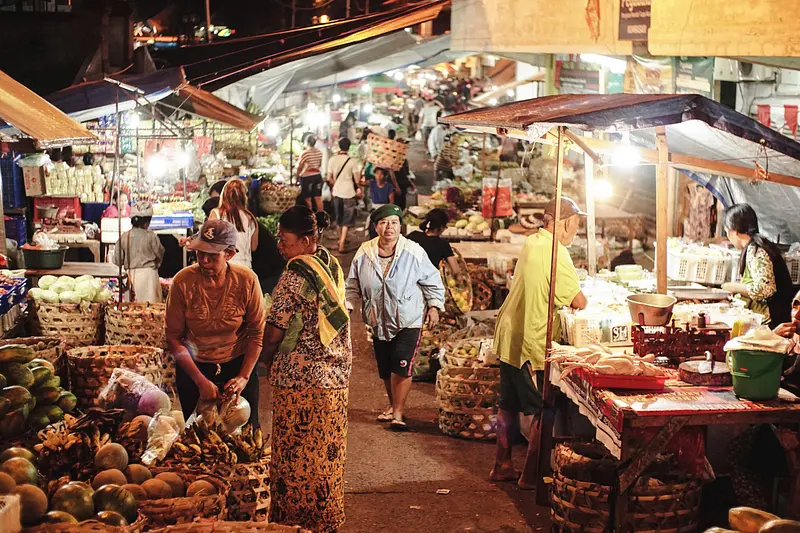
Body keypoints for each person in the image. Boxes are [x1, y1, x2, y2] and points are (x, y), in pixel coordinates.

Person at [262, 206, 352, 533]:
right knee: (326, 456)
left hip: (297, 381)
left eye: (284, 240)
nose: (280, 247)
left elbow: (274, 329)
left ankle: (293, 524)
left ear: (306, 239)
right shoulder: (331, 264)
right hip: (335, 378)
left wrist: (264, 357)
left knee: (295, 458)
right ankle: (325, 521)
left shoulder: (296, 272)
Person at [491, 197, 588, 488]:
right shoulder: (556, 252)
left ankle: (502, 465)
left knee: (507, 405)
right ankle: (531, 476)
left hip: (510, 333)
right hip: (532, 340)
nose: (577, 229)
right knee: (544, 409)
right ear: (567, 222)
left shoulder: (533, 242)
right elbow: (578, 302)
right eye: (576, 223)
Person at [346, 204, 445, 431]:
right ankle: (393, 405)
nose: (389, 227)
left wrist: (434, 306)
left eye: (394, 223)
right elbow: (353, 285)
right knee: (386, 367)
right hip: (377, 320)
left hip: (408, 319)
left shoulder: (414, 252)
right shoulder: (364, 252)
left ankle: (398, 414)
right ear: (375, 227)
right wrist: (348, 306)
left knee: (401, 363)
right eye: (383, 223)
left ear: (400, 226)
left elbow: (432, 281)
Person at [166, 219, 266, 428]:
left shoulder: (247, 280)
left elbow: (256, 334)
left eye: (212, 256)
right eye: (200, 253)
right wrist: (200, 381)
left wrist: (243, 377)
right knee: (200, 441)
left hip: (237, 365)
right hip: (194, 368)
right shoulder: (182, 282)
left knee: (244, 440)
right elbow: (174, 338)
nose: (203, 260)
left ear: (230, 254)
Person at [721, 204, 793, 328]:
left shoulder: (756, 250)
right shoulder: (758, 245)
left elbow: (764, 289)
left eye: (727, 232)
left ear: (735, 231)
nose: (729, 237)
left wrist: (731, 286)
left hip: (774, 320)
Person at [112, 201, 164, 303]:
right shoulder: (151, 236)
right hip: (149, 277)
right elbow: (160, 254)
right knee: (151, 312)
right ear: (147, 222)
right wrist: (156, 264)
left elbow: (117, 261)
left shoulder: (124, 237)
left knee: (132, 311)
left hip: (131, 276)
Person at [209, 179, 258, 269]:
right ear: (244, 197)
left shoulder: (216, 213)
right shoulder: (250, 217)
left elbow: (208, 241)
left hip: (223, 267)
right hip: (245, 268)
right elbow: (253, 247)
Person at [327, 138, 361, 254]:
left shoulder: (332, 160)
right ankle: (342, 243)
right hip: (349, 193)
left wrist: (335, 184)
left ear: (339, 146)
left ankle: (340, 238)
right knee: (347, 219)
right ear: (349, 147)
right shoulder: (352, 162)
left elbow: (329, 178)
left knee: (338, 218)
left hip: (337, 192)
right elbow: (357, 180)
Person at [407, 208, 459, 275]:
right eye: (445, 226)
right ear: (441, 226)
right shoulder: (443, 244)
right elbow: (455, 270)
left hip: (407, 279)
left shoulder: (413, 236)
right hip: (427, 281)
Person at [297, 135, 325, 212]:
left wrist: (297, 176)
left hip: (307, 177)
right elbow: (319, 165)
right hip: (318, 176)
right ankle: (321, 217)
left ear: (306, 142)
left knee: (307, 198)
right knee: (318, 197)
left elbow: (300, 166)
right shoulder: (319, 152)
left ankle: (310, 217)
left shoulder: (305, 153)